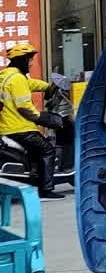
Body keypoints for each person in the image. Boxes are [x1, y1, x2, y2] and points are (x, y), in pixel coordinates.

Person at [0, 42, 62, 197]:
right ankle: (46, 189)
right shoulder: (17, 79)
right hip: (20, 128)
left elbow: (30, 83)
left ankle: (34, 174)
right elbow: (25, 109)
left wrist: (48, 87)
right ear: (21, 60)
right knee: (47, 149)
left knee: (38, 149)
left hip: (7, 127)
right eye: (29, 59)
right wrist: (45, 119)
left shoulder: (7, 76)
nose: (31, 62)